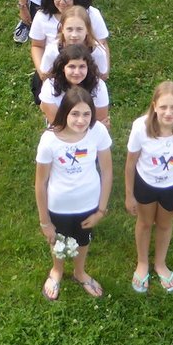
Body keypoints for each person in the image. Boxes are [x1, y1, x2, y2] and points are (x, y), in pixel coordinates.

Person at [35, 87, 113, 300]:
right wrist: (45, 222)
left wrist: (101, 211)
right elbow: (40, 183)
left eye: (86, 114)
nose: (81, 120)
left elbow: (107, 172)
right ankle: (57, 270)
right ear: (65, 113)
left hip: (89, 204)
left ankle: (79, 272)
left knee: (83, 240)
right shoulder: (49, 140)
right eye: (75, 114)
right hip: (59, 206)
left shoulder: (98, 132)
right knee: (58, 241)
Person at [124, 81, 173, 292]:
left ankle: (160, 263)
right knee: (145, 222)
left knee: (165, 225)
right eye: (163, 107)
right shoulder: (141, 127)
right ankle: (142, 263)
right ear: (154, 106)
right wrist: (129, 195)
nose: (168, 112)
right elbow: (130, 163)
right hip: (146, 184)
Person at [29, 0, 111, 77]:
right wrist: (42, 73)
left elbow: (102, 43)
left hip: (83, 71)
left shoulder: (92, 14)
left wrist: (104, 71)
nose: (62, 2)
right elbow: (37, 46)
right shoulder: (42, 16)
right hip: (53, 70)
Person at [38, 45, 110, 128]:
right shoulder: (50, 86)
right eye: (72, 66)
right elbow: (57, 124)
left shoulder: (99, 85)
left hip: (92, 133)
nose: (77, 72)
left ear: (88, 67)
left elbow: (99, 124)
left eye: (82, 66)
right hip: (60, 133)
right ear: (63, 68)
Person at [37, 7, 109, 80]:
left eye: (79, 29)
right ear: (62, 29)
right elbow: (45, 76)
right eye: (69, 29)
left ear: (87, 29)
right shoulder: (52, 51)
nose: (74, 35)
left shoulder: (97, 51)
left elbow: (102, 76)